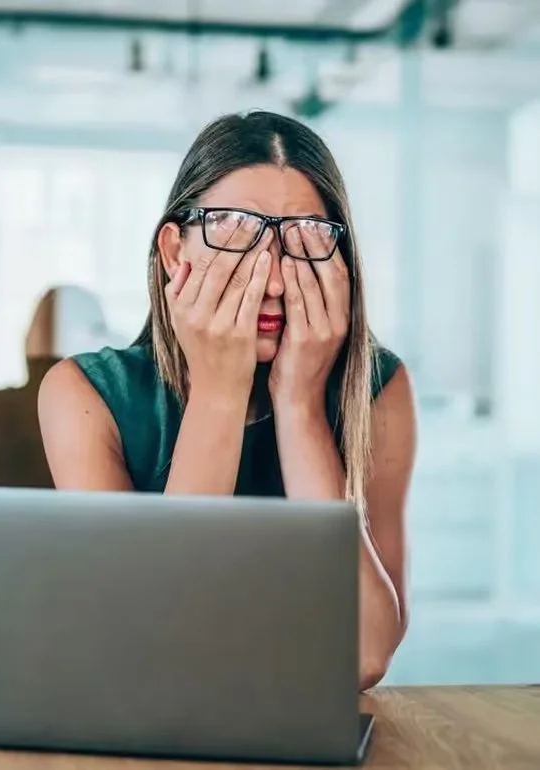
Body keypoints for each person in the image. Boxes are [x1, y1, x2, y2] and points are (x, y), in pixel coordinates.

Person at [38, 110, 417, 690]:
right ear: (173, 251)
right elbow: (148, 643)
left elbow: (364, 654)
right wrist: (219, 391)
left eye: (305, 239)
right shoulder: (85, 394)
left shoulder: (381, 390)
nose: (270, 280)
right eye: (235, 232)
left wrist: (299, 405)